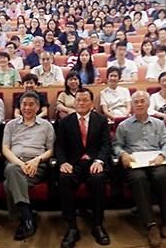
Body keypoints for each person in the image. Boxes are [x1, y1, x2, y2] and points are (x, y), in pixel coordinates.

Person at [114, 91, 166, 247]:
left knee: (162, 176)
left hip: (155, 161)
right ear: (132, 105)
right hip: (135, 163)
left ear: (148, 104)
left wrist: (162, 155)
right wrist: (123, 154)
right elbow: (116, 145)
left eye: (142, 101)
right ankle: (150, 225)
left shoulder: (159, 124)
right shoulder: (123, 125)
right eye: (136, 102)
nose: (139, 104)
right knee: (138, 178)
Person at [55, 88, 112, 247]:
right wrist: (63, 162)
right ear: (74, 102)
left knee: (98, 179)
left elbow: (106, 145)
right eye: (78, 100)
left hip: (94, 162)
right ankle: (72, 227)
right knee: (64, 179)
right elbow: (59, 146)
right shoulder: (66, 121)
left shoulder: (101, 120)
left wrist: (100, 161)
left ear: (92, 103)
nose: (81, 103)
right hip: (74, 163)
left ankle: (98, 225)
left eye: (85, 100)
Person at [2, 91, 54, 241]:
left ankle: (22, 217)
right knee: (12, 169)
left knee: (8, 184)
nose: (27, 107)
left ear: (38, 107)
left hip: (37, 166)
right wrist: (20, 164)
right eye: (24, 104)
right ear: (20, 106)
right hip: (15, 162)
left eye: (31, 104)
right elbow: (5, 149)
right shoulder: (11, 125)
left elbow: (51, 150)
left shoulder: (46, 126)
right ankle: (28, 218)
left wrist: (36, 160)